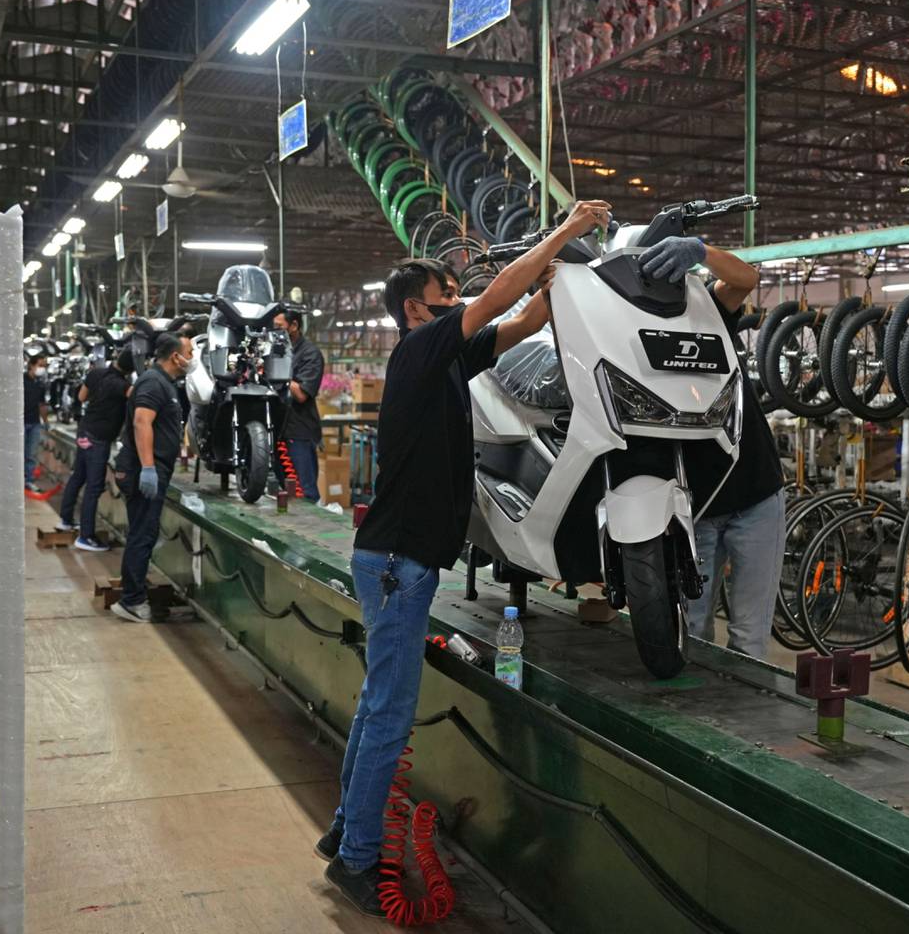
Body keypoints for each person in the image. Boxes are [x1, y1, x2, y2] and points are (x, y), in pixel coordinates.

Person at [320, 200, 613, 915]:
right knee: (389, 715)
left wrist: (565, 273)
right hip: (398, 563)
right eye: (447, 296)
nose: (460, 300)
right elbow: (500, 295)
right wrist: (565, 230)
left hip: (399, 560)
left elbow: (527, 318)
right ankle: (358, 858)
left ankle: (343, 834)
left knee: (376, 707)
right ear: (417, 313)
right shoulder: (420, 352)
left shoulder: (450, 360)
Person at [641, 235, 780, 660]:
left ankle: (744, 723)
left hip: (756, 492)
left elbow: (746, 278)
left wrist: (700, 251)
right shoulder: (625, 337)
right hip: (695, 508)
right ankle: (698, 719)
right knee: (693, 632)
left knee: (750, 637)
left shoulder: (705, 313)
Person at [110, 332, 192, 624]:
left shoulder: (163, 383)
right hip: (142, 468)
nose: (191, 358)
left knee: (143, 532)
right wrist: (147, 467)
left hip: (151, 466)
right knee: (142, 534)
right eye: (190, 352)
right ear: (175, 357)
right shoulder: (153, 382)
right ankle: (131, 601)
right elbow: (141, 422)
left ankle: (134, 592)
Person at [56, 348, 135, 551]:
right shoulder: (122, 385)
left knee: (78, 477)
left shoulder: (96, 373)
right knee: (94, 487)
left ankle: (65, 520)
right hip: (98, 439)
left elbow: (82, 397)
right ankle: (86, 536)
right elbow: (138, 396)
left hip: (84, 431)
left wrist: (100, 399)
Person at [272, 308, 325, 501]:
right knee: (284, 489)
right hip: (277, 428)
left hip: (299, 431)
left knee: (305, 490)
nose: (274, 331)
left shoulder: (310, 354)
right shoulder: (276, 351)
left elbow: (302, 394)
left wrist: (277, 373)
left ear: (294, 326)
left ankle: (310, 528)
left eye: (279, 327)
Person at [24, 354, 49, 493]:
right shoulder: (21, 380)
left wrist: (45, 421)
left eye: (44, 366)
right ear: (31, 365)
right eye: (40, 365)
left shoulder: (40, 384)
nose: (42, 368)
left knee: (31, 454)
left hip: (34, 423)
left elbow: (42, 404)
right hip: (20, 423)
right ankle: (17, 479)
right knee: (19, 453)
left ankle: (28, 480)